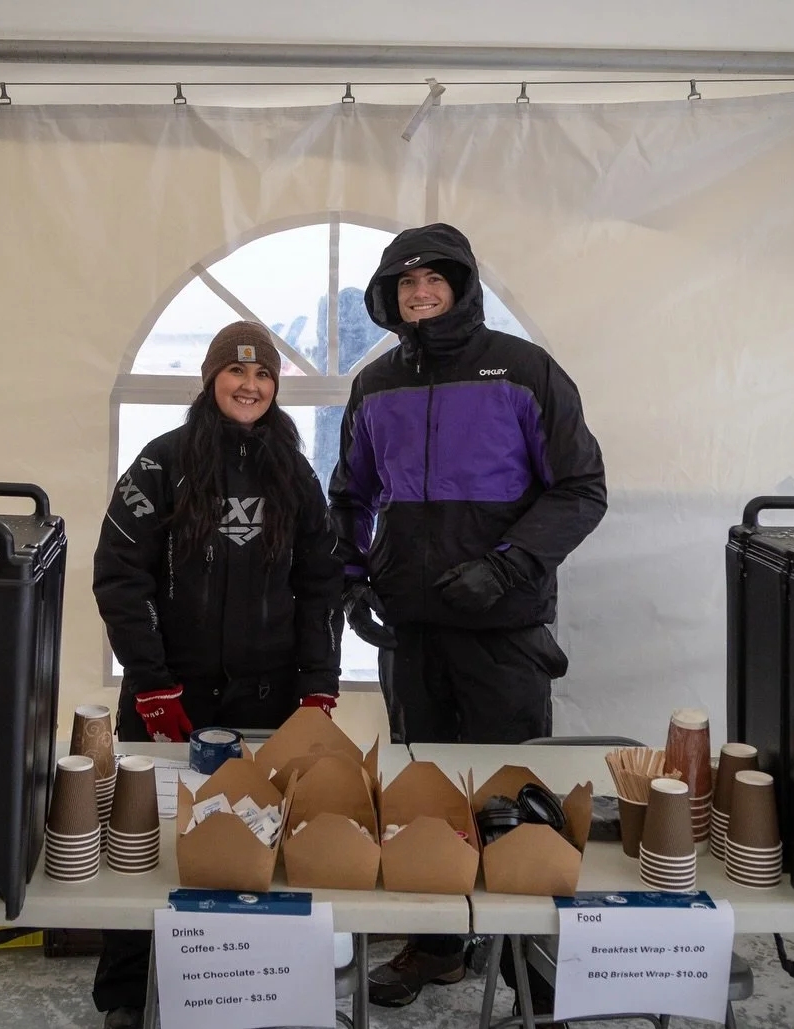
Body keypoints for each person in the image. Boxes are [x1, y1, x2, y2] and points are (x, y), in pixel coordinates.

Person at [329, 223, 607, 1014]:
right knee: (426, 798)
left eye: (433, 282)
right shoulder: (375, 384)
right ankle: (440, 946)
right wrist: (354, 582)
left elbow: (581, 487)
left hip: (503, 631)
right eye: (404, 285)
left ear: (461, 287)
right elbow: (350, 495)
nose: (420, 295)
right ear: (389, 299)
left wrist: (507, 566)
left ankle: (529, 961)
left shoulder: (524, 372)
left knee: (513, 798)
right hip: (412, 629)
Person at [91, 321, 343, 1029]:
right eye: (236, 374)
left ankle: (247, 990)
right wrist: (151, 680)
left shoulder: (295, 473)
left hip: (267, 700)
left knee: (257, 844)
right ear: (210, 380)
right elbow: (117, 575)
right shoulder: (160, 464)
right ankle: (123, 994)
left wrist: (319, 685)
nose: (249, 385)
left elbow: (323, 583)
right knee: (144, 842)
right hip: (166, 698)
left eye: (262, 374)